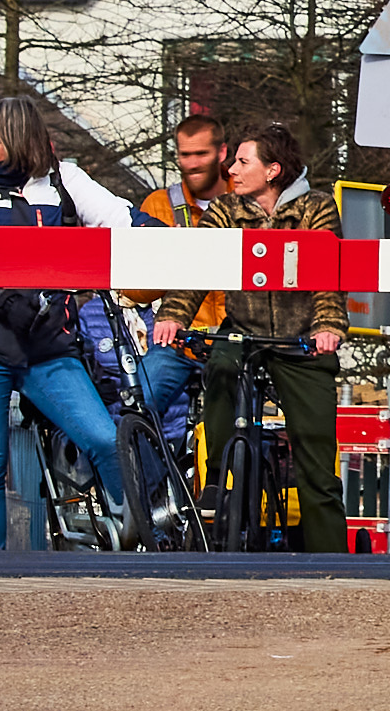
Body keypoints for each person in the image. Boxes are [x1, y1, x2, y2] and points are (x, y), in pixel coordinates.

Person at [0, 108, 140, 551]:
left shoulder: (64, 181)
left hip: (48, 347)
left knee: (104, 439)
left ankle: (130, 539)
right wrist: (4, 302)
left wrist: (163, 240)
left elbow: (121, 219)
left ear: (18, 138)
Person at [214, 113, 346, 547]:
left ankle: (333, 564)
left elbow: (328, 275)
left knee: (316, 460)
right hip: (244, 327)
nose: (231, 170)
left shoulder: (316, 208)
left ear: (272, 170)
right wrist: (173, 315)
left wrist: (327, 326)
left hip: (301, 334)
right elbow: (197, 265)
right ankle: (216, 478)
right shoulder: (224, 209)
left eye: (242, 162)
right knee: (219, 366)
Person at [124, 98, 229, 483]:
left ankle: (226, 491)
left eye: (201, 154)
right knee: (137, 406)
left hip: (234, 341)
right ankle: (155, 498)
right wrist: (166, 265)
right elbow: (136, 290)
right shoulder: (158, 205)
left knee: (239, 417)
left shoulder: (246, 201)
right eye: (185, 155)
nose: (192, 163)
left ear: (222, 153)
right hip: (179, 342)